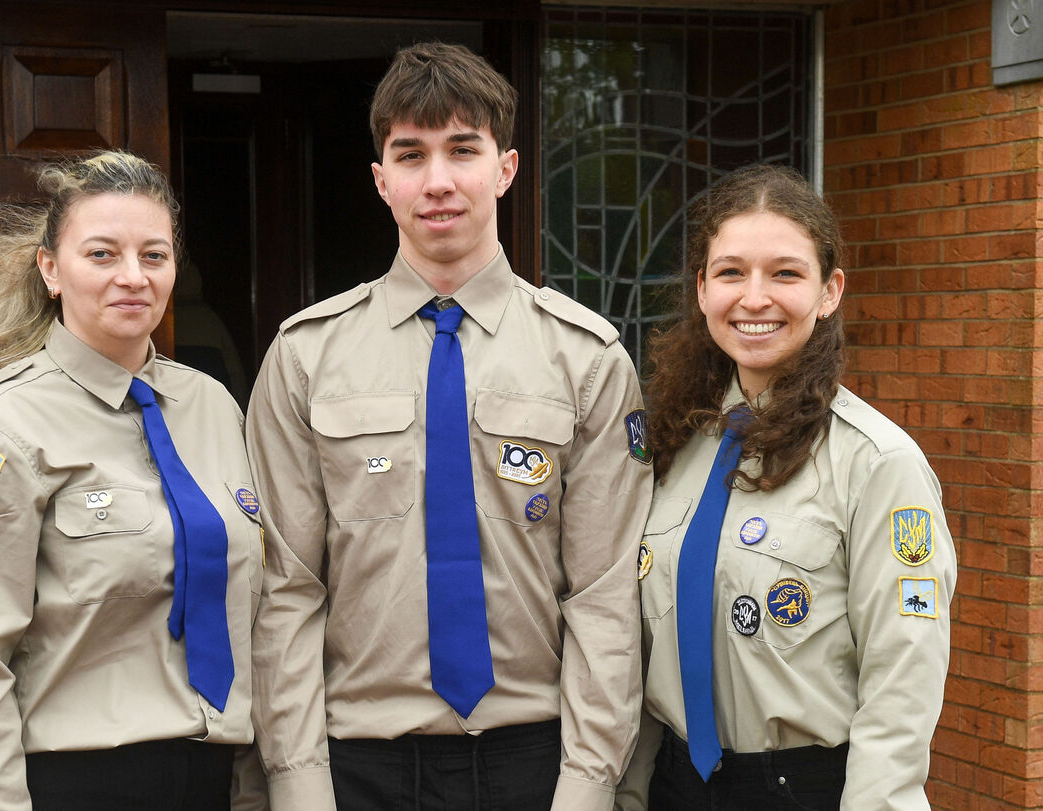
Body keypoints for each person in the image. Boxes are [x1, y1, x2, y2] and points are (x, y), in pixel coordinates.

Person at [245, 42, 652, 811]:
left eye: (463, 149)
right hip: (356, 761)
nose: (438, 181)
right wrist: (298, 783)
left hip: (535, 760)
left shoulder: (586, 358)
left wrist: (589, 784)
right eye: (411, 154)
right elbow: (286, 593)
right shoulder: (306, 356)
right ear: (381, 180)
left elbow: (603, 598)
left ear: (505, 167)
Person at [0, 150, 268, 810]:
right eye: (102, 254)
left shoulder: (215, 406)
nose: (132, 277)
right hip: (76, 782)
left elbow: (252, 614)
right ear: (50, 268)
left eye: (154, 255)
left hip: (212, 777)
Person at [615, 164, 956, 810]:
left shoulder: (878, 463)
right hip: (677, 788)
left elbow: (901, 689)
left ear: (830, 292)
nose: (754, 297)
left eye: (786, 273)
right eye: (731, 272)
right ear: (702, 288)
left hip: (806, 790)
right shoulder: (677, 446)